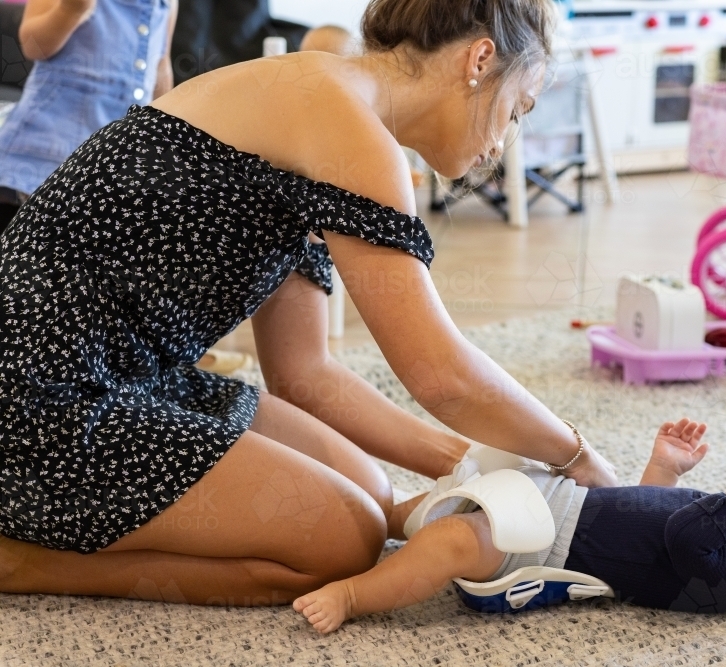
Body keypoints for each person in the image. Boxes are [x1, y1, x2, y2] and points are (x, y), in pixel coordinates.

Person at [0, 0, 617, 607]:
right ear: (479, 59)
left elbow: (306, 375)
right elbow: (440, 374)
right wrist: (576, 455)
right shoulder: (343, 121)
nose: (504, 142)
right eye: (517, 110)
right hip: (36, 399)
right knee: (340, 541)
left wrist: (472, 464)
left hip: (120, 376)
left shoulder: (324, 112)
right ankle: (25, 564)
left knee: (373, 495)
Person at [293, 418, 726, 633]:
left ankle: (354, 595)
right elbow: (644, 509)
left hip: (541, 548)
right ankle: (375, 514)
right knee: (429, 506)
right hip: (556, 496)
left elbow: (681, 540)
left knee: (452, 541)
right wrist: (664, 466)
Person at [0, 0, 178, 231]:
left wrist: (167, 129)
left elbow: (161, 63)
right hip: (43, 152)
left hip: (114, 168)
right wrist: (71, 10)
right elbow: (33, 46)